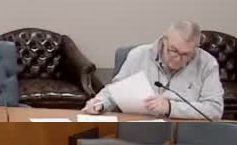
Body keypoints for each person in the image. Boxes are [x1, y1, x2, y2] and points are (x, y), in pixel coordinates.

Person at [82, 20, 223, 120]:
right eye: (173, 50)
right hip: (140, 126)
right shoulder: (139, 55)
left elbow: (214, 109)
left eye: (186, 54)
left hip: (184, 130)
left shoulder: (207, 63)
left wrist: (170, 107)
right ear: (165, 40)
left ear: (196, 49)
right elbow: (116, 90)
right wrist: (100, 103)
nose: (177, 58)